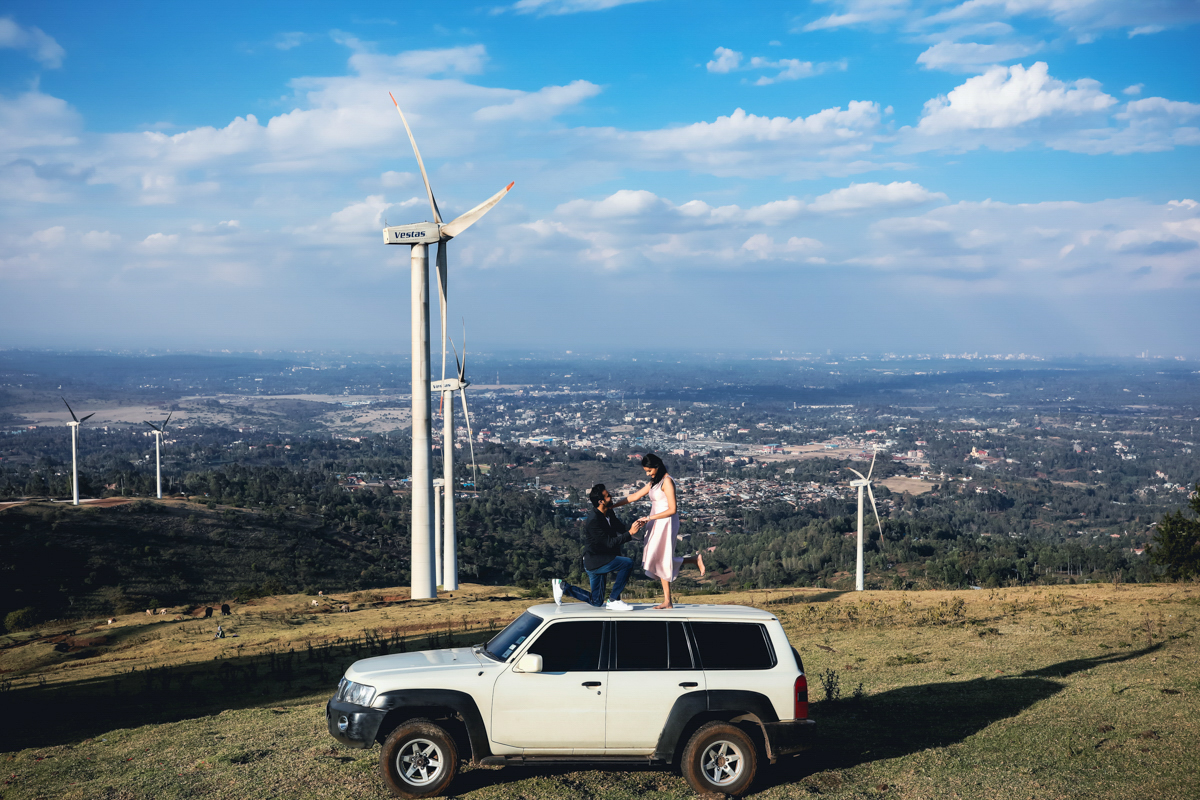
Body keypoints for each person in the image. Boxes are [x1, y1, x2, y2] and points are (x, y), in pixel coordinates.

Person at [614, 452, 704, 610]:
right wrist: (612, 506)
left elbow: (673, 509)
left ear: (657, 466)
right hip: (655, 521)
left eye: (649, 470)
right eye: (646, 471)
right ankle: (692, 560)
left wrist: (649, 518)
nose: (648, 474)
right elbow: (635, 496)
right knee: (655, 557)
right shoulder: (654, 481)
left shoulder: (667, 482)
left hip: (666, 522)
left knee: (660, 557)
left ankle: (668, 601)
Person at [553, 484, 644, 611]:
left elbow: (620, 527)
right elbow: (609, 543)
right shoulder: (593, 521)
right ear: (601, 501)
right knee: (627, 563)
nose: (611, 497)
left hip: (602, 558)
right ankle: (613, 600)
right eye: (608, 496)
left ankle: (563, 587)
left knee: (596, 602)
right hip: (595, 560)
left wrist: (637, 525)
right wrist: (630, 534)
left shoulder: (608, 512)